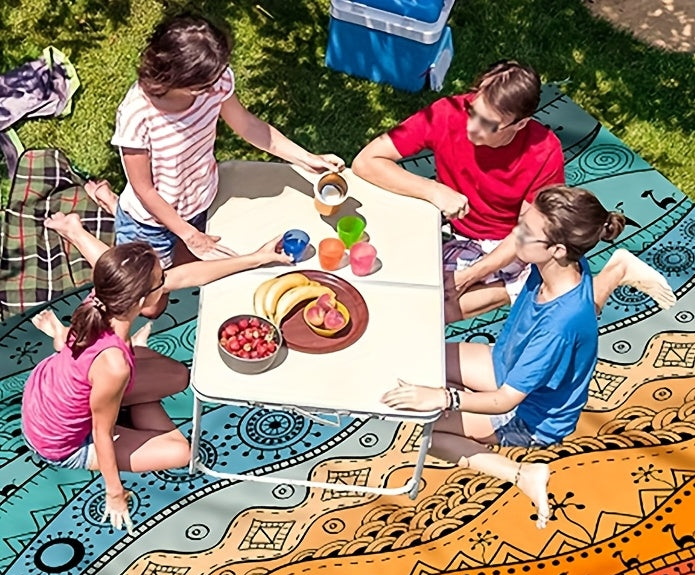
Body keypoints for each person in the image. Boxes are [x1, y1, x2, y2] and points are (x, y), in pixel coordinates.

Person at [381, 185, 669, 529]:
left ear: (556, 249)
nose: (515, 234)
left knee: (426, 427)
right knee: (419, 361)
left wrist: (444, 398)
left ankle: (522, 473)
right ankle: (616, 270)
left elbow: (505, 401)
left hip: (530, 415)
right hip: (506, 363)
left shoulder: (559, 327)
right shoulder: (563, 264)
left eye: (526, 231)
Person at [21, 212, 291, 533]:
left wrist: (257, 258)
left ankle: (103, 366)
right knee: (180, 451)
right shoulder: (114, 365)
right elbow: (101, 433)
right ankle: (119, 385)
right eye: (161, 279)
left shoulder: (102, 298)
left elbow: (186, 276)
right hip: (62, 442)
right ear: (141, 299)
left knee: (178, 376)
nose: (167, 280)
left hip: (49, 390)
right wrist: (115, 494)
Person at [111, 13, 344, 267]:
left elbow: (247, 125)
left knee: (188, 268)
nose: (216, 87)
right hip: (150, 224)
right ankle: (110, 205)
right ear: (177, 79)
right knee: (154, 291)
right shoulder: (137, 114)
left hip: (201, 202)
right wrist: (189, 235)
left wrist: (306, 158)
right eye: (206, 84)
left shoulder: (215, 80)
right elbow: (144, 189)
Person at [353, 60, 566, 322]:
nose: (471, 127)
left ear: (520, 124)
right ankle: (516, 286)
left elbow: (529, 233)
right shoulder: (447, 112)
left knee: (422, 312)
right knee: (382, 273)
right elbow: (365, 161)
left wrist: (470, 275)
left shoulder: (544, 152)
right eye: (472, 110)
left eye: (488, 124)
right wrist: (434, 190)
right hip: (449, 225)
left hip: (505, 244)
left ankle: (509, 287)